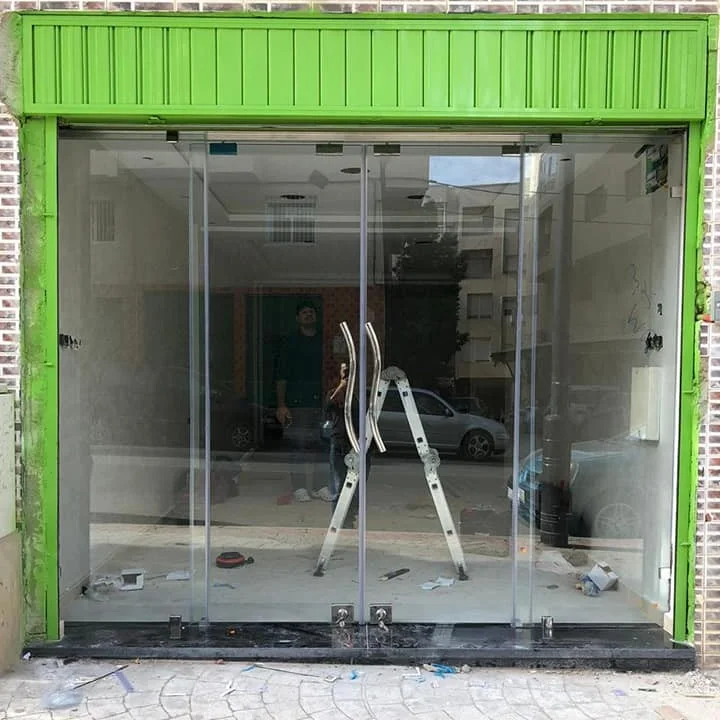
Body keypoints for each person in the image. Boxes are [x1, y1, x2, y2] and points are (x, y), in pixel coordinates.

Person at [275, 299, 333, 503]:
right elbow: (281, 376)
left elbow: (332, 370)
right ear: (297, 317)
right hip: (297, 403)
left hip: (322, 403)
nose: (308, 315)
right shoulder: (290, 342)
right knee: (298, 446)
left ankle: (320, 486)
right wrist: (281, 405)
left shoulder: (323, 342)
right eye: (304, 312)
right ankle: (299, 487)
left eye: (311, 312)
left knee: (323, 445)